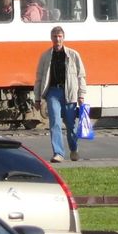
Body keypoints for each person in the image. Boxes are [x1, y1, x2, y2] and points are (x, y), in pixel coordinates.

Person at [33, 26, 87, 162]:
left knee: (70, 125)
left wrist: (81, 94)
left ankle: (74, 149)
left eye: (59, 36)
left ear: (63, 37)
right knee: (55, 123)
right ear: (51, 38)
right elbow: (39, 77)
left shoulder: (73, 55)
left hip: (69, 92)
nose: (57, 39)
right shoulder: (45, 56)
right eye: (55, 36)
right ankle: (59, 153)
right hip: (53, 92)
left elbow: (81, 76)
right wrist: (37, 98)